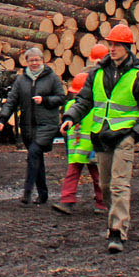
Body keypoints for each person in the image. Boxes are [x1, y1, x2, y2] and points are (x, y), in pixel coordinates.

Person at [59, 23, 139, 253]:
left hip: (125, 137)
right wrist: (70, 117)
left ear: (127, 47)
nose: (112, 49)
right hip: (102, 137)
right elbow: (84, 101)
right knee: (105, 185)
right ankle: (112, 223)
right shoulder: (96, 74)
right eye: (110, 44)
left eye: (117, 45)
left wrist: (134, 136)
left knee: (119, 185)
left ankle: (118, 232)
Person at [0, 46, 67, 205]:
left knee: (33, 154)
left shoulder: (52, 78)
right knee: (37, 158)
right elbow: (12, 101)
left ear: (42, 61)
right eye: (31, 60)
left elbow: (61, 98)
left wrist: (45, 100)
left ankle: (27, 191)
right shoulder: (21, 80)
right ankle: (43, 194)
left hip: (47, 124)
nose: (34, 63)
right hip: (28, 126)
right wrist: (2, 120)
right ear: (26, 62)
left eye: (37, 60)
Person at [52, 65, 106, 215]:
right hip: (83, 150)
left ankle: (100, 203)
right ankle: (69, 201)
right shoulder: (84, 106)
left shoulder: (82, 107)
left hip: (88, 150)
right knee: (89, 176)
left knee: (96, 177)